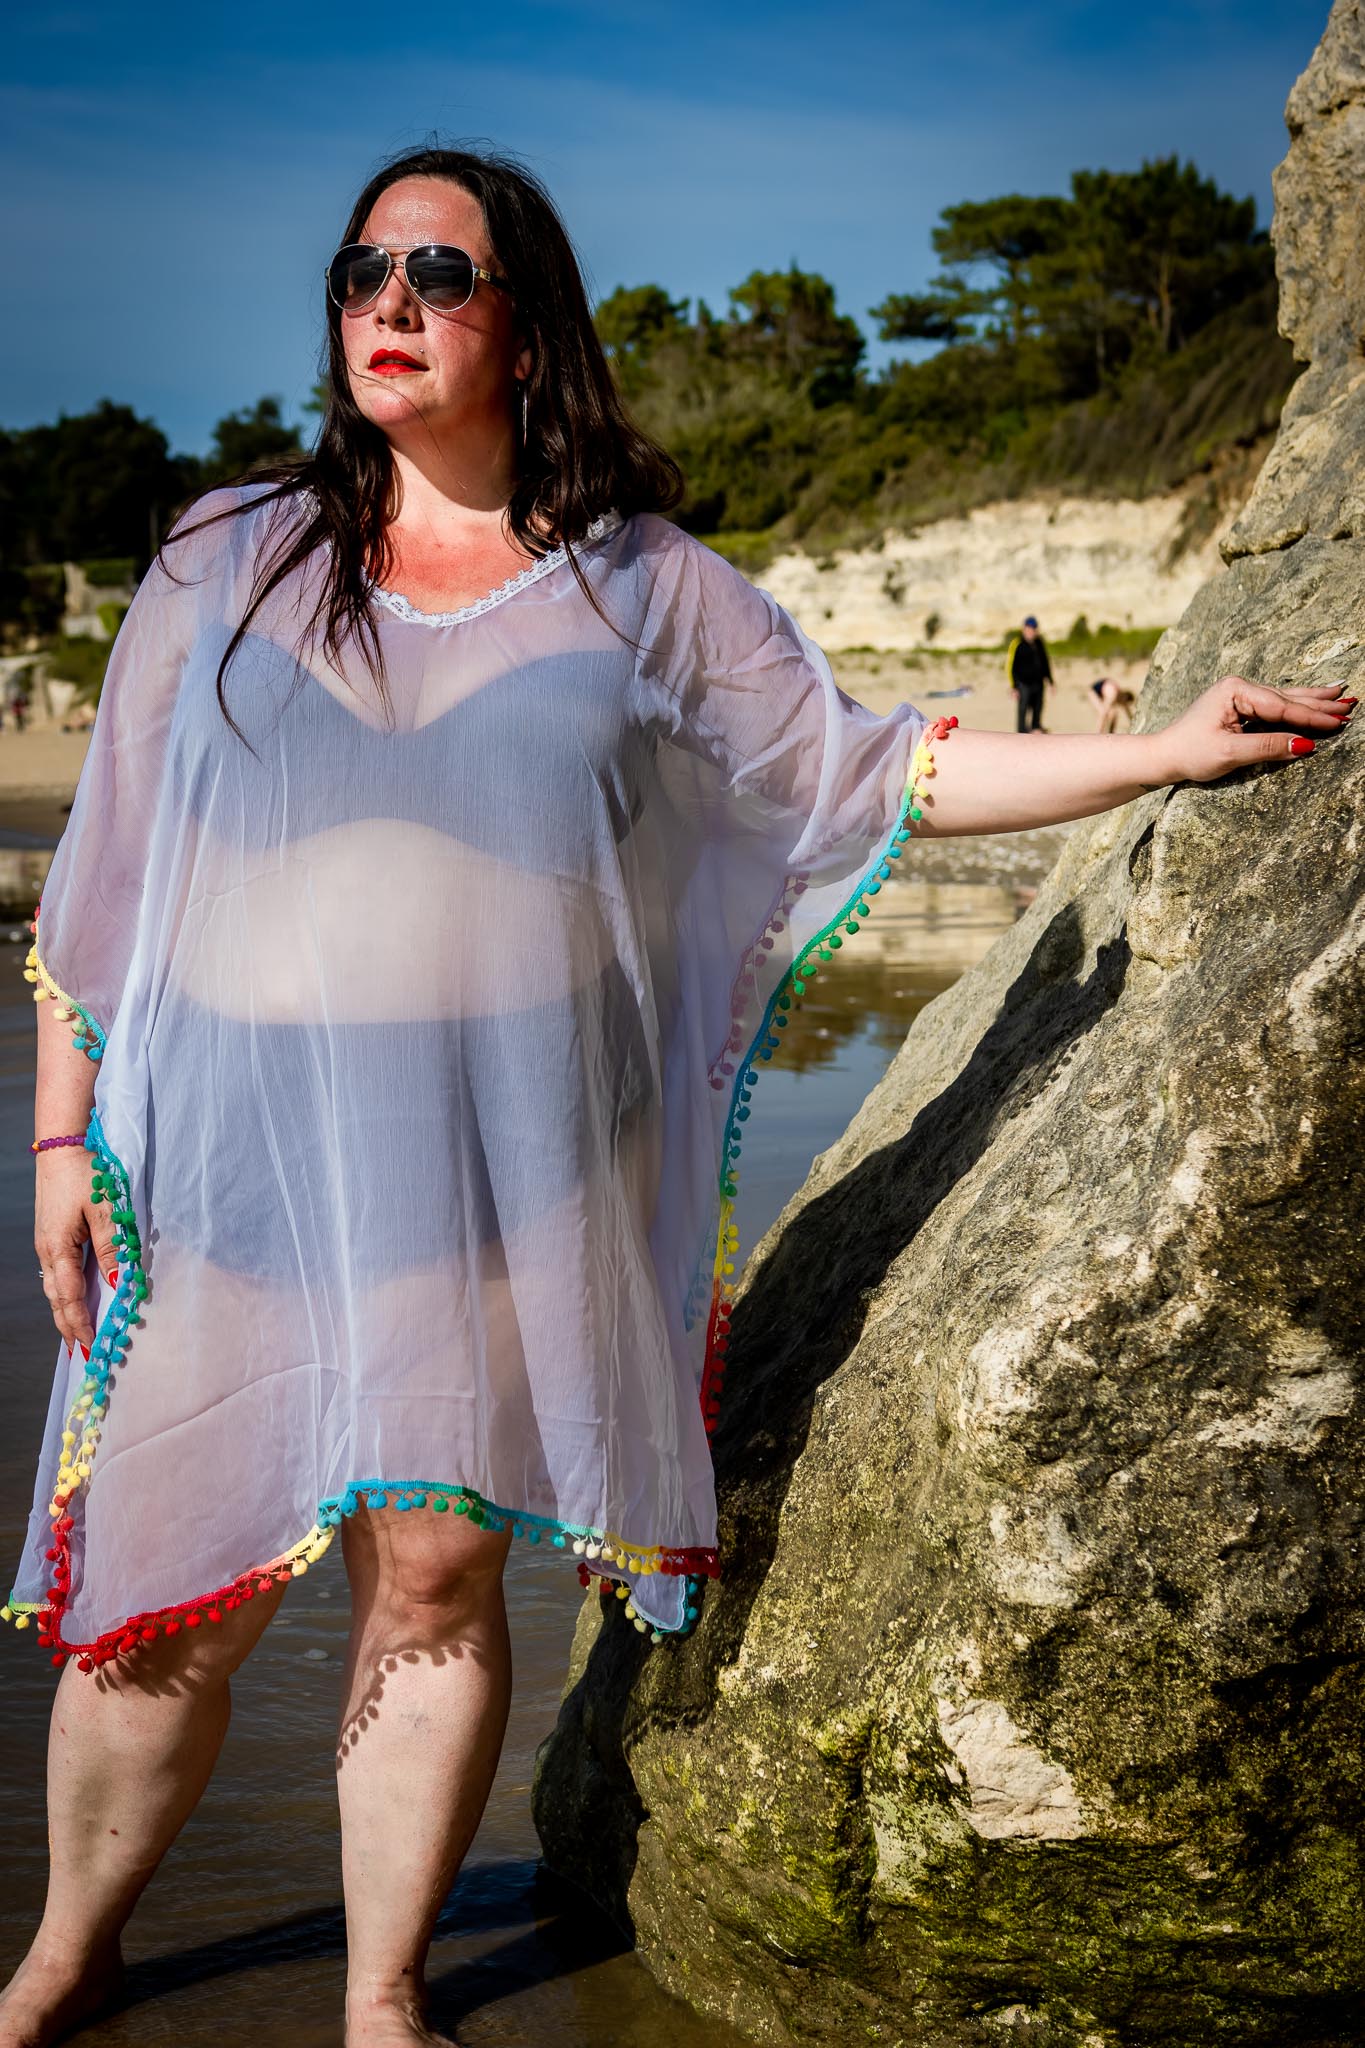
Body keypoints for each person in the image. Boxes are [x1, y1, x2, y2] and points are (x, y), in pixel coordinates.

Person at [0, 142, 1350, 2048]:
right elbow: (113, 869)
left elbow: (871, 772)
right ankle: (67, 1951)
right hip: (238, 1170)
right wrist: (61, 1131)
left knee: (436, 1570)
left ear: (528, 326)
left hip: (500, 1181)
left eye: (438, 275)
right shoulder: (230, 551)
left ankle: (381, 1995)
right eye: (362, 269)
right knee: (171, 1591)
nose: (388, 302)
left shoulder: (647, 588)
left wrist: (1159, 751)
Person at [1007, 614, 1052, 731]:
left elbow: (1045, 662)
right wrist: (1014, 687)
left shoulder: (1039, 643)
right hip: (1023, 685)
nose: (1031, 632)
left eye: (1033, 629)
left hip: (1038, 684)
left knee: (1038, 711)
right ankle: (1021, 734)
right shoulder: (1017, 644)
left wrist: (1050, 681)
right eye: (1029, 629)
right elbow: (1010, 667)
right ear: (1024, 629)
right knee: (1023, 712)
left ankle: (1036, 731)